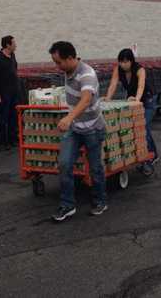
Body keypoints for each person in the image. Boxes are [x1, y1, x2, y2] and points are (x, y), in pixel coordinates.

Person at [49, 41, 107, 222]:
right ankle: (67, 205)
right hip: (75, 129)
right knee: (65, 163)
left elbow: (86, 99)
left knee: (95, 167)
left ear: (70, 58)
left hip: (92, 128)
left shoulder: (87, 74)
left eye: (58, 62)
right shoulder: (68, 71)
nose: (56, 66)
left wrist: (68, 118)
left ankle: (100, 201)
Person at [104, 48, 159, 164]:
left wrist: (137, 99)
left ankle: (151, 155)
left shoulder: (139, 69)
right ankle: (151, 152)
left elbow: (141, 86)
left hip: (147, 99)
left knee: (143, 126)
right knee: (138, 127)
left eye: (126, 61)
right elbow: (113, 84)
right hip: (132, 100)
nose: (123, 64)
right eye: (121, 62)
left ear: (131, 61)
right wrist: (108, 98)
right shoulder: (118, 70)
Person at [0, 35, 19, 150]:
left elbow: (15, 70)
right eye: (14, 43)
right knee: (3, 117)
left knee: (13, 116)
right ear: (8, 45)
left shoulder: (12, 56)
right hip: (4, 92)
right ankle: (2, 142)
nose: (16, 45)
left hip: (14, 91)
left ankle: (13, 139)